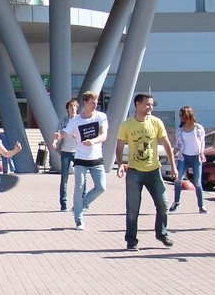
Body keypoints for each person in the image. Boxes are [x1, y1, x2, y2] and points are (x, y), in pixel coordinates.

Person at [115, 93, 178, 251]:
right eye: (147, 104)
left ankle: (161, 234)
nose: (150, 107)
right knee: (133, 208)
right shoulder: (127, 125)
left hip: (154, 171)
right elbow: (119, 147)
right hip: (134, 172)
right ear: (137, 105)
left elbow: (167, 144)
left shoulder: (156, 122)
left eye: (152, 104)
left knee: (163, 204)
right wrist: (121, 165)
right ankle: (131, 240)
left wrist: (173, 166)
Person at [61, 91, 108, 230]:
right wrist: (58, 136)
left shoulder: (101, 117)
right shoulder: (76, 121)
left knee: (101, 187)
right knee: (79, 186)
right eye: (92, 102)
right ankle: (79, 219)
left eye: (96, 102)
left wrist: (93, 141)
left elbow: (104, 135)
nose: (95, 104)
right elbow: (65, 131)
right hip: (81, 158)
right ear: (85, 103)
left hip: (96, 158)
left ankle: (77, 207)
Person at [169, 105, 207, 214]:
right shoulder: (180, 130)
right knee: (178, 179)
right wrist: (171, 155)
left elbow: (202, 142)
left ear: (189, 116)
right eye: (180, 116)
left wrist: (202, 153)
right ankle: (176, 202)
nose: (181, 118)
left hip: (196, 156)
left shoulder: (198, 128)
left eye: (183, 115)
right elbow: (177, 145)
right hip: (183, 156)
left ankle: (201, 205)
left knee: (198, 182)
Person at [53, 98, 79, 211]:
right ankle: (63, 204)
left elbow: (84, 135)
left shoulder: (80, 120)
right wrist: (54, 142)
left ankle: (83, 201)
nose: (72, 108)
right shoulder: (64, 121)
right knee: (64, 178)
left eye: (74, 106)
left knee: (81, 177)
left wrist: (76, 136)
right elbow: (57, 133)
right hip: (65, 151)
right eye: (70, 106)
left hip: (78, 152)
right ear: (67, 109)